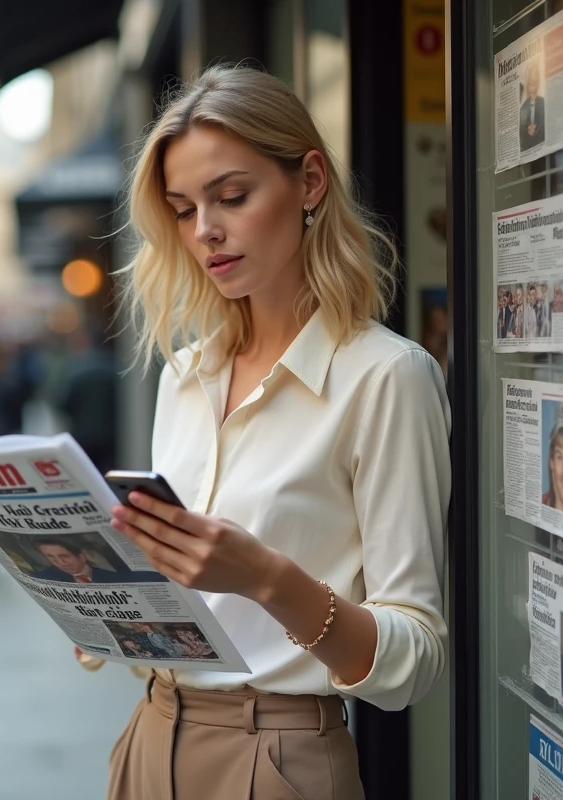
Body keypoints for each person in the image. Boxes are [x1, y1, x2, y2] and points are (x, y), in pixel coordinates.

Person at [96, 66, 450, 799]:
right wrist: (104, 598)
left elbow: (415, 660)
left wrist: (269, 579)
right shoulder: (185, 375)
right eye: (183, 208)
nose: (206, 231)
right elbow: (188, 599)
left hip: (279, 756)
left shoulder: (386, 376)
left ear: (310, 181)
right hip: (149, 735)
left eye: (232, 196)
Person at [56, 329, 119, 475]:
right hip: (110, 433)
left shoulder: (75, 369)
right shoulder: (114, 366)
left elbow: (63, 404)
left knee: (87, 473)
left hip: (83, 434)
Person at [28, 538, 166, 584]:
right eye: (51, 558)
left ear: (81, 556)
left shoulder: (117, 578)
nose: (60, 563)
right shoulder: (44, 579)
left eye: (64, 556)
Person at [519, 62, 546, 151]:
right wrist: (528, 128)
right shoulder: (523, 108)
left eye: (535, 76)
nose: (532, 79)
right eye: (530, 78)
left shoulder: (543, 103)